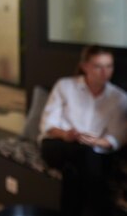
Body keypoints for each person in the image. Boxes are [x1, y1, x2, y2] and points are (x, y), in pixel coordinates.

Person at [39, 45, 127, 216]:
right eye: (98, 66)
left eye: (109, 66)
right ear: (85, 66)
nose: (105, 72)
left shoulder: (119, 98)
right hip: (58, 144)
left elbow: (117, 137)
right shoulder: (65, 86)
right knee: (86, 158)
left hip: (93, 151)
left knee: (74, 170)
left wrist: (95, 141)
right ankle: (103, 210)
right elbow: (47, 125)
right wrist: (66, 135)